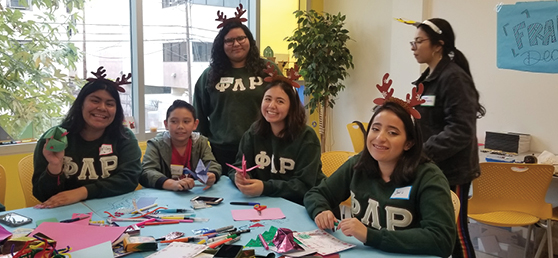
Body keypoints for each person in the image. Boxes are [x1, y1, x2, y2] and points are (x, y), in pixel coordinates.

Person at [304, 76, 456, 257]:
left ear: (409, 143)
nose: (380, 138)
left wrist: (370, 235)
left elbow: (442, 239)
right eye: (375, 128)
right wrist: (321, 210)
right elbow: (317, 193)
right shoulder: (358, 164)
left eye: (392, 132)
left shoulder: (428, 177)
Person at [410, 18, 485, 258]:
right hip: (430, 167)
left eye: (419, 41)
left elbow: (461, 130)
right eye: (413, 41)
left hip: (453, 170)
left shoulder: (453, 78)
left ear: (438, 45)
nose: (413, 46)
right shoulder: (428, 78)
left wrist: (422, 154)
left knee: (455, 231)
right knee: (435, 229)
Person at [32, 67, 141, 208]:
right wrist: (55, 166)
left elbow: (129, 180)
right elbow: (43, 195)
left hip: (112, 210)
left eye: (110, 104)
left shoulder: (124, 137)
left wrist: (82, 192)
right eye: (95, 101)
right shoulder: (56, 138)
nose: (102, 108)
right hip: (65, 214)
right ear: (81, 104)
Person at [193, 4, 278, 175]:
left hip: (263, 147)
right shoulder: (209, 76)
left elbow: (285, 106)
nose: (236, 44)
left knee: (261, 195)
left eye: (241, 38)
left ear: (249, 41)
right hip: (221, 151)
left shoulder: (268, 70)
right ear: (221, 45)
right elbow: (198, 118)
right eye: (229, 40)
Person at [229, 69, 325, 205]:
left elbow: (304, 185)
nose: (271, 106)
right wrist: (238, 177)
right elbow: (238, 164)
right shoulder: (253, 132)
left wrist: (265, 187)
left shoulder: (307, 137)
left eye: (280, 101)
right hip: (264, 203)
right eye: (267, 99)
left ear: (291, 107)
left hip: (300, 205)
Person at [140, 100, 221, 191]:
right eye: (174, 121)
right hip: (163, 195)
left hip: (193, 193)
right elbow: (146, 172)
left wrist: (212, 174)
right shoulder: (155, 144)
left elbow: (213, 164)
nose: (180, 126)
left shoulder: (201, 142)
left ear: (195, 124)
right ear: (166, 124)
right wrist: (172, 184)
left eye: (186, 121)